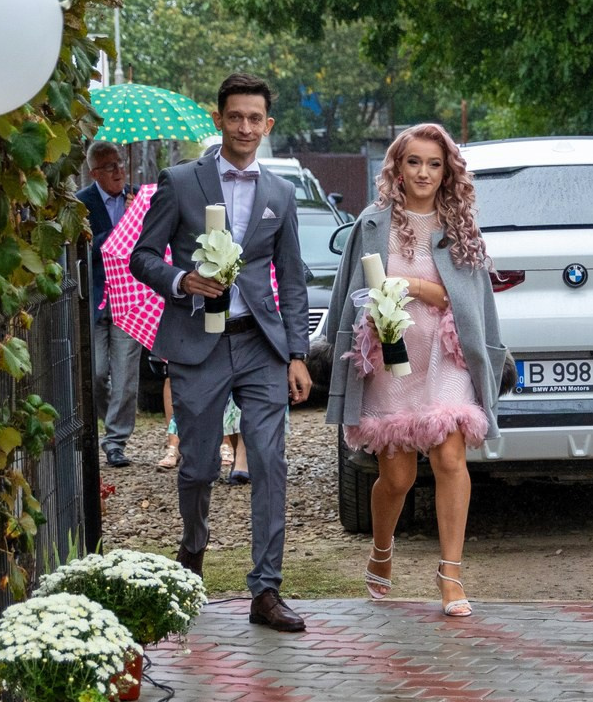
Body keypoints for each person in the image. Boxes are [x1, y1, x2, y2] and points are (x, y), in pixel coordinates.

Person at [128, 74, 312, 633]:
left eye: (256, 119)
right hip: (195, 342)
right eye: (236, 117)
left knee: (270, 461)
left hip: (260, 343)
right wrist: (183, 280)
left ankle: (266, 590)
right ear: (219, 118)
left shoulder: (279, 193)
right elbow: (142, 256)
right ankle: (192, 557)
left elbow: (292, 279)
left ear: (268, 125)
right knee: (200, 464)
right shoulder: (180, 181)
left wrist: (298, 353)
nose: (245, 128)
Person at [314, 122, 510, 617]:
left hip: (447, 355)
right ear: (397, 169)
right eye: (414, 162)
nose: (424, 172)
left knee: (449, 459)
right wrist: (323, 350)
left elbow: (472, 302)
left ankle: (451, 575)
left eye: (434, 164)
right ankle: (382, 549)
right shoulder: (372, 223)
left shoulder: (460, 226)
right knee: (397, 478)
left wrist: (415, 288)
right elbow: (346, 293)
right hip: (389, 357)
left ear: (447, 172)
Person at [78, 143, 142, 468]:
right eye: (110, 167)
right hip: (97, 299)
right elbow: (84, 251)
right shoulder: (80, 204)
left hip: (131, 299)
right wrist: (122, 228)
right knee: (98, 370)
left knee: (126, 375)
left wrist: (138, 220)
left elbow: (152, 243)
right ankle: (111, 419)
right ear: (94, 173)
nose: (119, 171)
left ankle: (115, 441)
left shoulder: (138, 198)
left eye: (120, 164)